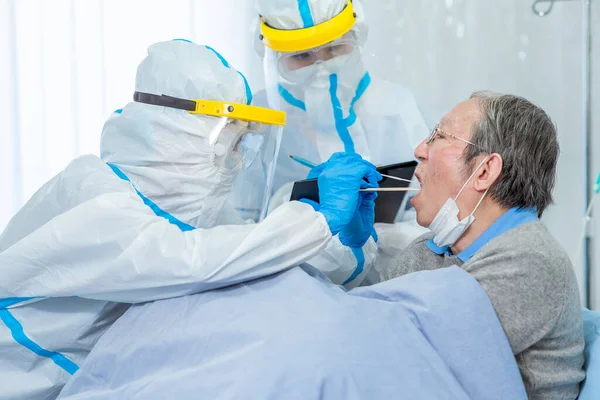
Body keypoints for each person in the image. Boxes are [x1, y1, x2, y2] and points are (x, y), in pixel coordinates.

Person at [0, 40, 379, 400]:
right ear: (183, 132)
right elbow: (196, 263)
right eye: (234, 141)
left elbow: (251, 260)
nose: (237, 159)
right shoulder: (94, 198)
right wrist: (318, 218)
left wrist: (347, 243)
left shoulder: (184, 217)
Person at [381, 91, 585, 399]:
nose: (420, 149)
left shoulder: (530, 262)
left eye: (439, 135)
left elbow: (399, 357)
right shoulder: (428, 250)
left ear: (484, 171)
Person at [250, 0, 433, 287]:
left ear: (357, 35)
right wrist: (288, 215)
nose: (321, 67)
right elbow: (234, 228)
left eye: (334, 49)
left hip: (394, 286)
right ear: (273, 56)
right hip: (295, 292)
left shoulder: (395, 106)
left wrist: (382, 239)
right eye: (301, 56)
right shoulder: (259, 117)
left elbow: (436, 208)